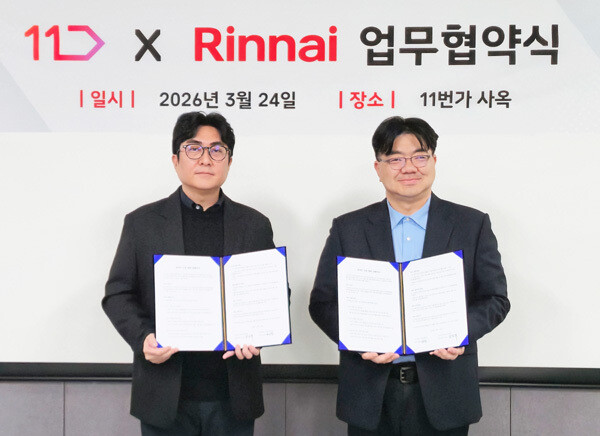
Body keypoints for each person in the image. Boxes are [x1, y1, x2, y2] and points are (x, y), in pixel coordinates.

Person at [309, 116, 510, 435]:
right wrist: (358, 339)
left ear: (434, 162)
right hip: (369, 393)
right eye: (396, 159)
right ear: (378, 168)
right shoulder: (348, 228)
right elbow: (322, 304)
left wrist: (460, 331)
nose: (409, 167)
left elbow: (495, 299)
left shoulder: (471, 225)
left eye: (419, 156)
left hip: (446, 393)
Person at [103, 111, 276, 435]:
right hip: (164, 394)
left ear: (229, 161)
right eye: (194, 148)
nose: (206, 159)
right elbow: (118, 294)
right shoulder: (142, 223)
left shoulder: (254, 225)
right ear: (176, 160)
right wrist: (144, 338)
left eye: (217, 150)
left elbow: (274, 293)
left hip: (233, 395)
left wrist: (259, 334)